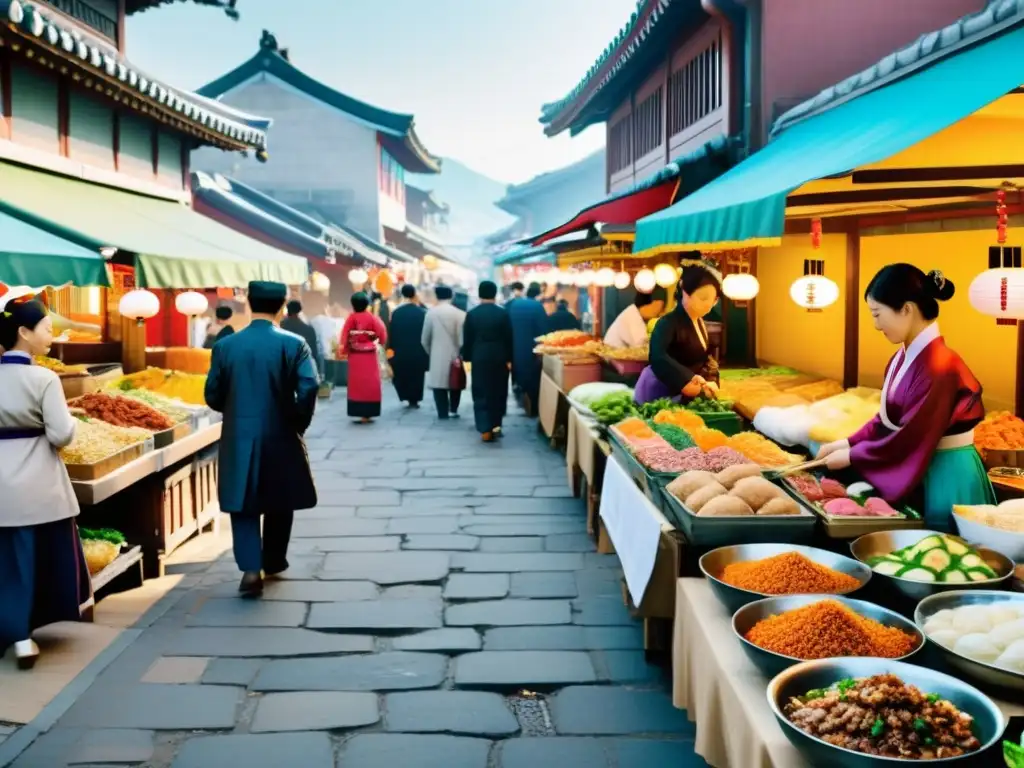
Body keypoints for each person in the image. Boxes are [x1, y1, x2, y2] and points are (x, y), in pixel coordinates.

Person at [816, 264, 995, 532]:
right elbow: (886, 420)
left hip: (947, 469)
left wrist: (853, 455)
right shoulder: (902, 357)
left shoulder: (940, 365)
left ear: (907, 309)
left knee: (946, 550)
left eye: (878, 314)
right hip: (925, 461)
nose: (876, 325)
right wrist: (846, 442)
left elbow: (912, 435)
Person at [204, 281, 319, 597]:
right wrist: (297, 421)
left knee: (242, 501)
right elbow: (309, 386)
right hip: (280, 431)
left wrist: (234, 405)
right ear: (283, 306)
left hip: (239, 433)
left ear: (248, 305)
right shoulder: (293, 344)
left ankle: (251, 569)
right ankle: (274, 559)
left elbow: (212, 394)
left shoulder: (226, 346)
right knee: (280, 496)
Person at [0, 293, 91, 670]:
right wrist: (71, 421)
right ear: (24, 332)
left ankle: (14, 633)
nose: (52, 334)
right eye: (46, 328)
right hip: (36, 481)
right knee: (36, 559)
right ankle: (23, 636)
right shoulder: (43, 377)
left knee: (8, 561)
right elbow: (60, 435)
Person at [634, 263, 721, 405]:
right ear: (686, 293)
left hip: (685, 391)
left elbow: (706, 356)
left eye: (713, 300)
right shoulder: (667, 322)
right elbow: (658, 356)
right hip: (659, 391)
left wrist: (711, 380)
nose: (708, 304)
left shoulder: (700, 323)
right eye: (703, 298)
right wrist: (685, 380)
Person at [462, 281, 514, 442]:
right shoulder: (503, 313)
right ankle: (496, 425)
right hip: (499, 357)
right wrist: (510, 359)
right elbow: (509, 338)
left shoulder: (472, 314)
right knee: (498, 390)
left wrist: (468, 358)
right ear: (495, 294)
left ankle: (484, 427)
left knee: (480, 390)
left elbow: (467, 338)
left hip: (479, 357)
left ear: (479, 294)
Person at [339, 292, 389, 424]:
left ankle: (359, 410)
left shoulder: (351, 318)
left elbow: (345, 337)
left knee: (357, 384)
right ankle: (369, 411)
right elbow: (382, 334)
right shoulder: (373, 318)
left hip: (355, 355)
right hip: (370, 354)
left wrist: (344, 350)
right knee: (371, 382)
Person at [422, 284, 466, 419]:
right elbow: (462, 339)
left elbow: (424, 339)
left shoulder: (430, 313)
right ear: (451, 296)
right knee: (455, 382)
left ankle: (442, 412)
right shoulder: (460, 314)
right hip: (455, 354)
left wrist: (431, 352)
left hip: (436, 354)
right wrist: (460, 352)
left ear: (437, 296)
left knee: (439, 385)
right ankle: (453, 409)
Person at [508, 282, 551, 414]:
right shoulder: (538, 307)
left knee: (519, 373)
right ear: (539, 294)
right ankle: (532, 405)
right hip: (533, 348)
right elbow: (544, 331)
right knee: (533, 376)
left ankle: (521, 395)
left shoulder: (514, 305)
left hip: (515, 346)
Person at [387, 285, 429, 408]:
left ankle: (405, 395)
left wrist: (391, 348)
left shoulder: (396, 313)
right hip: (418, 349)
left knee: (403, 373)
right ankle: (414, 399)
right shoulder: (422, 313)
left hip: (401, 349)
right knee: (416, 375)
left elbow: (392, 333)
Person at [281, 300, 324, 375]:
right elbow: (314, 352)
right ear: (300, 310)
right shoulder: (308, 329)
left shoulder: (280, 327)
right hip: (302, 369)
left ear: (287, 310)